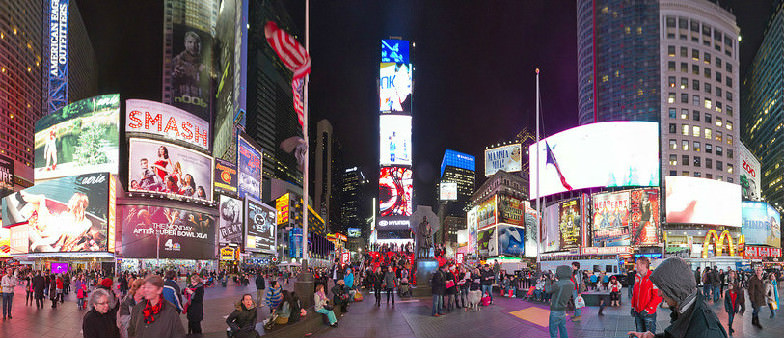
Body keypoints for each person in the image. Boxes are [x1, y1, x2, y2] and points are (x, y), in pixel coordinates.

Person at [628, 257, 727, 338]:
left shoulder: (706, 331)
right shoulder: (687, 310)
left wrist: (648, 308)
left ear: (675, 288)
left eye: (662, 288)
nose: (659, 293)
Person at [631, 257, 661, 334]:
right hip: (638, 312)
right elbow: (635, 293)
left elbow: (658, 296)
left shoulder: (653, 277)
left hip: (649, 313)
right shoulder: (637, 276)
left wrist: (647, 309)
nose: (635, 266)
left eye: (637, 264)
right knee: (640, 334)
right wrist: (633, 307)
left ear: (643, 265)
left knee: (648, 335)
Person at [549, 265, 574, 338]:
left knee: (553, 330)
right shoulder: (571, 284)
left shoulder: (557, 284)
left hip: (555, 309)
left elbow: (548, 290)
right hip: (563, 309)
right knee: (563, 328)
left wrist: (548, 280)